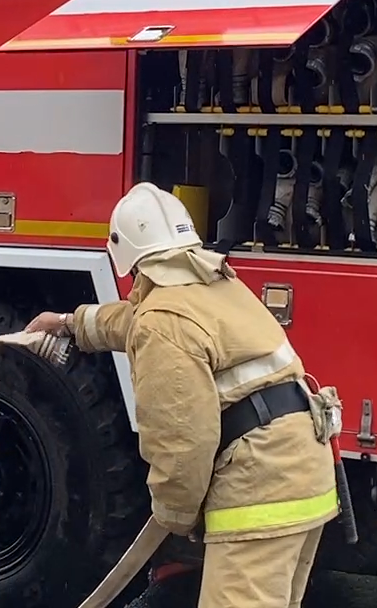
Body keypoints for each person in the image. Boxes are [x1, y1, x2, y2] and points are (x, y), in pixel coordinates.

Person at [25, 182, 339, 608]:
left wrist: (177, 515)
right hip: (305, 475)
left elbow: (181, 440)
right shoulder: (215, 288)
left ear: (126, 255)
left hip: (260, 490)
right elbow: (134, 319)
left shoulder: (162, 323)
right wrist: (68, 323)